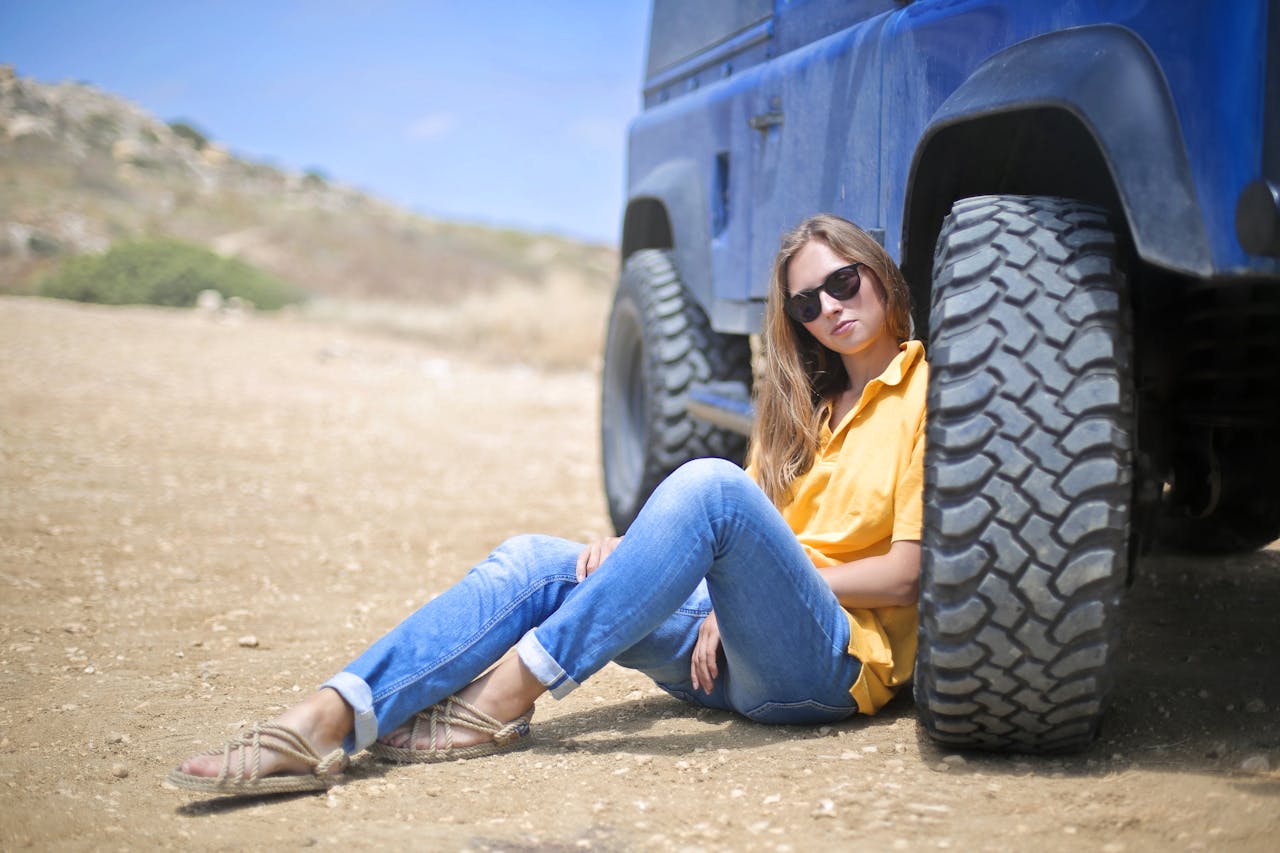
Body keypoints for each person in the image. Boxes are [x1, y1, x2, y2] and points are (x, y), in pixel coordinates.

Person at [169, 213, 928, 796]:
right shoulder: (801, 409)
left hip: (828, 666)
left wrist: (743, 599)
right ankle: (327, 718)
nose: (829, 306)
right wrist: (650, 563)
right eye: (805, 301)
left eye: (844, 281)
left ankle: (504, 697)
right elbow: (734, 538)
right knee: (539, 558)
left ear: (880, 274)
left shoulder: (928, 392)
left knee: (710, 483)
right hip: (727, 655)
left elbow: (905, 576)